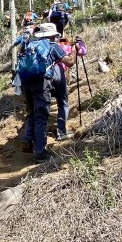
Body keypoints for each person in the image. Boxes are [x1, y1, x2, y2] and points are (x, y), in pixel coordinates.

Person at [18, 22, 75, 162]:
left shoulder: (29, 45)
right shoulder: (53, 46)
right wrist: (74, 49)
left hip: (25, 83)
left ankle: (27, 138)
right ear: (52, 35)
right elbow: (70, 62)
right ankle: (40, 153)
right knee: (41, 118)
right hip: (41, 84)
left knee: (32, 113)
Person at [53, 37, 74, 140]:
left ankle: (37, 137)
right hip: (58, 75)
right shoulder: (58, 47)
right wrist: (75, 49)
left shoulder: (37, 46)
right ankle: (61, 132)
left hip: (42, 79)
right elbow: (70, 61)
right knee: (63, 103)